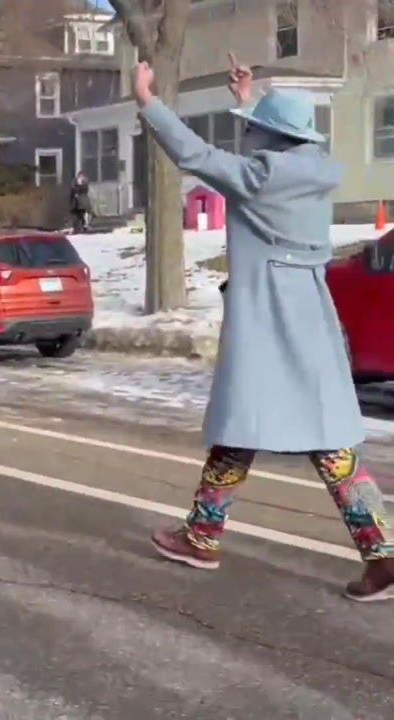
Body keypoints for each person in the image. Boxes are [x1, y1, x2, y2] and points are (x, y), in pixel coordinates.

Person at [133, 54, 394, 601]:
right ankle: (383, 553)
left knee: (241, 423)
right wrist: (249, 102)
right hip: (312, 317)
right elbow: (267, 153)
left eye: (256, 130)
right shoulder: (315, 173)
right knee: (329, 442)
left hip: (268, 318)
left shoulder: (259, 178)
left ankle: (202, 536)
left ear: (271, 139)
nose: (250, 137)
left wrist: (148, 101)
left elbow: (196, 154)